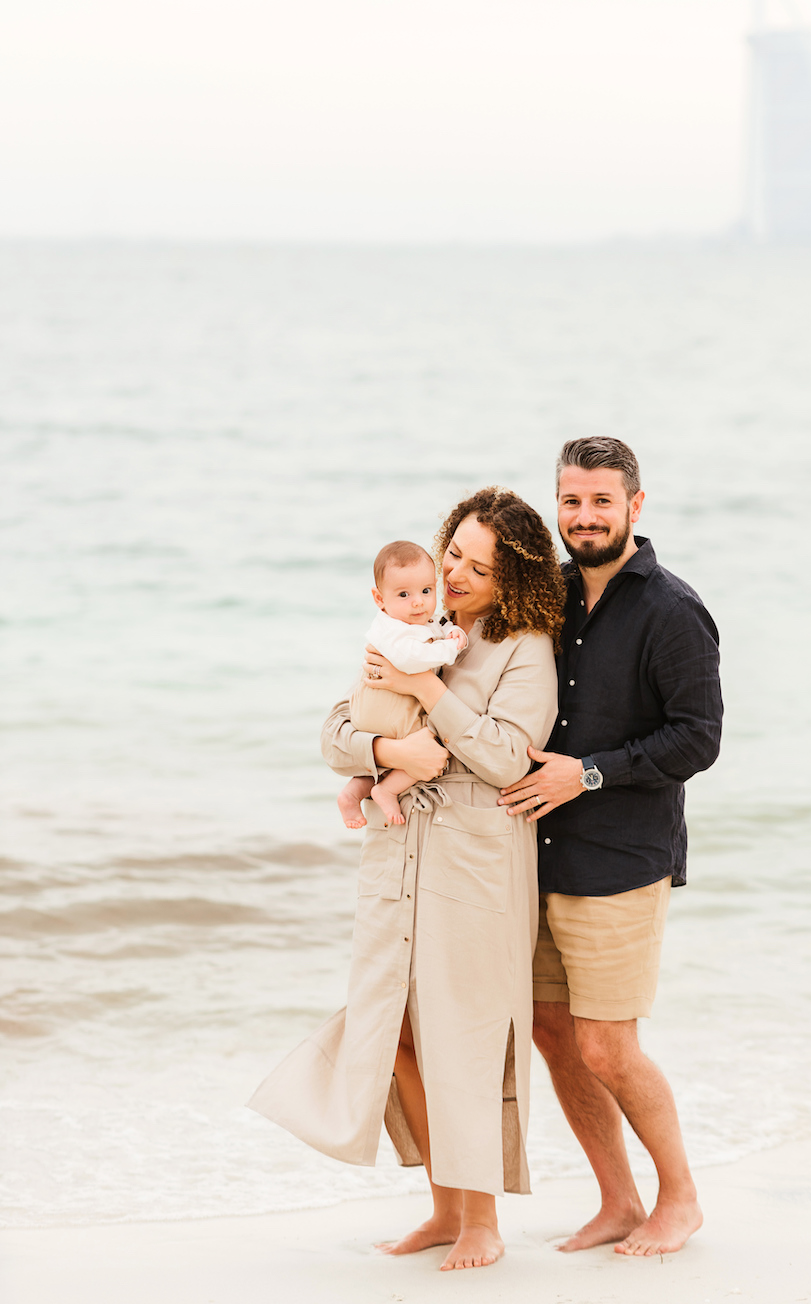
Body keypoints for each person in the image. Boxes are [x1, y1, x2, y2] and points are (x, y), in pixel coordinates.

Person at [248, 488, 563, 1272]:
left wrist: (428, 692)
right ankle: (443, 1208)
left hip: (476, 866)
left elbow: (502, 756)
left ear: (510, 577)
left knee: (469, 1039)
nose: (453, 573)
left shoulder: (525, 648)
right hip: (397, 855)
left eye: (475, 566)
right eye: (451, 551)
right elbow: (337, 729)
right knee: (398, 1037)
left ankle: (482, 1221)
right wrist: (387, 757)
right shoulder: (405, 625)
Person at [499, 436, 723, 1258]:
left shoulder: (672, 608)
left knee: (607, 1044)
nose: (583, 517)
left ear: (635, 505)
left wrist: (587, 775)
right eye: (570, 501)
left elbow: (698, 739)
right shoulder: (546, 597)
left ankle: (682, 1199)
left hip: (622, 860)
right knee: (555, 1034)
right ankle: (619, 1200)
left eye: (600, 501)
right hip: (537, 855)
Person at [336, 540, 468, 829]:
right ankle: (387, 789)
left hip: (374, 706)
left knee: (383, 759)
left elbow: (438, 626)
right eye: (404, 594)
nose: (418, 601)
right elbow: (412, 660)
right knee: (426, 747)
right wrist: (450, 650)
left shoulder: (412, 619)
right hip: (384, 707)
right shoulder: (392, 631)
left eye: (426, 591)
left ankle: (352, 793)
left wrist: (453, 631)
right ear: (379, 599)